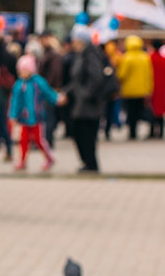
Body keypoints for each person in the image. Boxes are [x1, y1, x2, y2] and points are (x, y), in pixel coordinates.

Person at [66, 24, 113, 173]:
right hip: (82, 102)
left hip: (89, 103)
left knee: (86, 134)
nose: (72, 42)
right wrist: (67, 92)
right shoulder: (82, 54)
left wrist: (86, 94)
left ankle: (91, 164)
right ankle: (87, 162)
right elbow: (76, 80)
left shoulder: (91, 53)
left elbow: (96, 77)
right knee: (80, 132)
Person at [8, 54, 62, 171]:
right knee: (23, 141)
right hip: (24, 118)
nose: (22, 73)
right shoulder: (19, 85)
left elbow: (48, 93)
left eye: (24, 70)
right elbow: (15, 101)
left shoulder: (38, 82)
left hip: (37, 117)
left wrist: (57, 99)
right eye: (20, 71)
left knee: (39, 140)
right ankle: (22, 161)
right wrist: (13, 115)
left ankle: (49, 158)